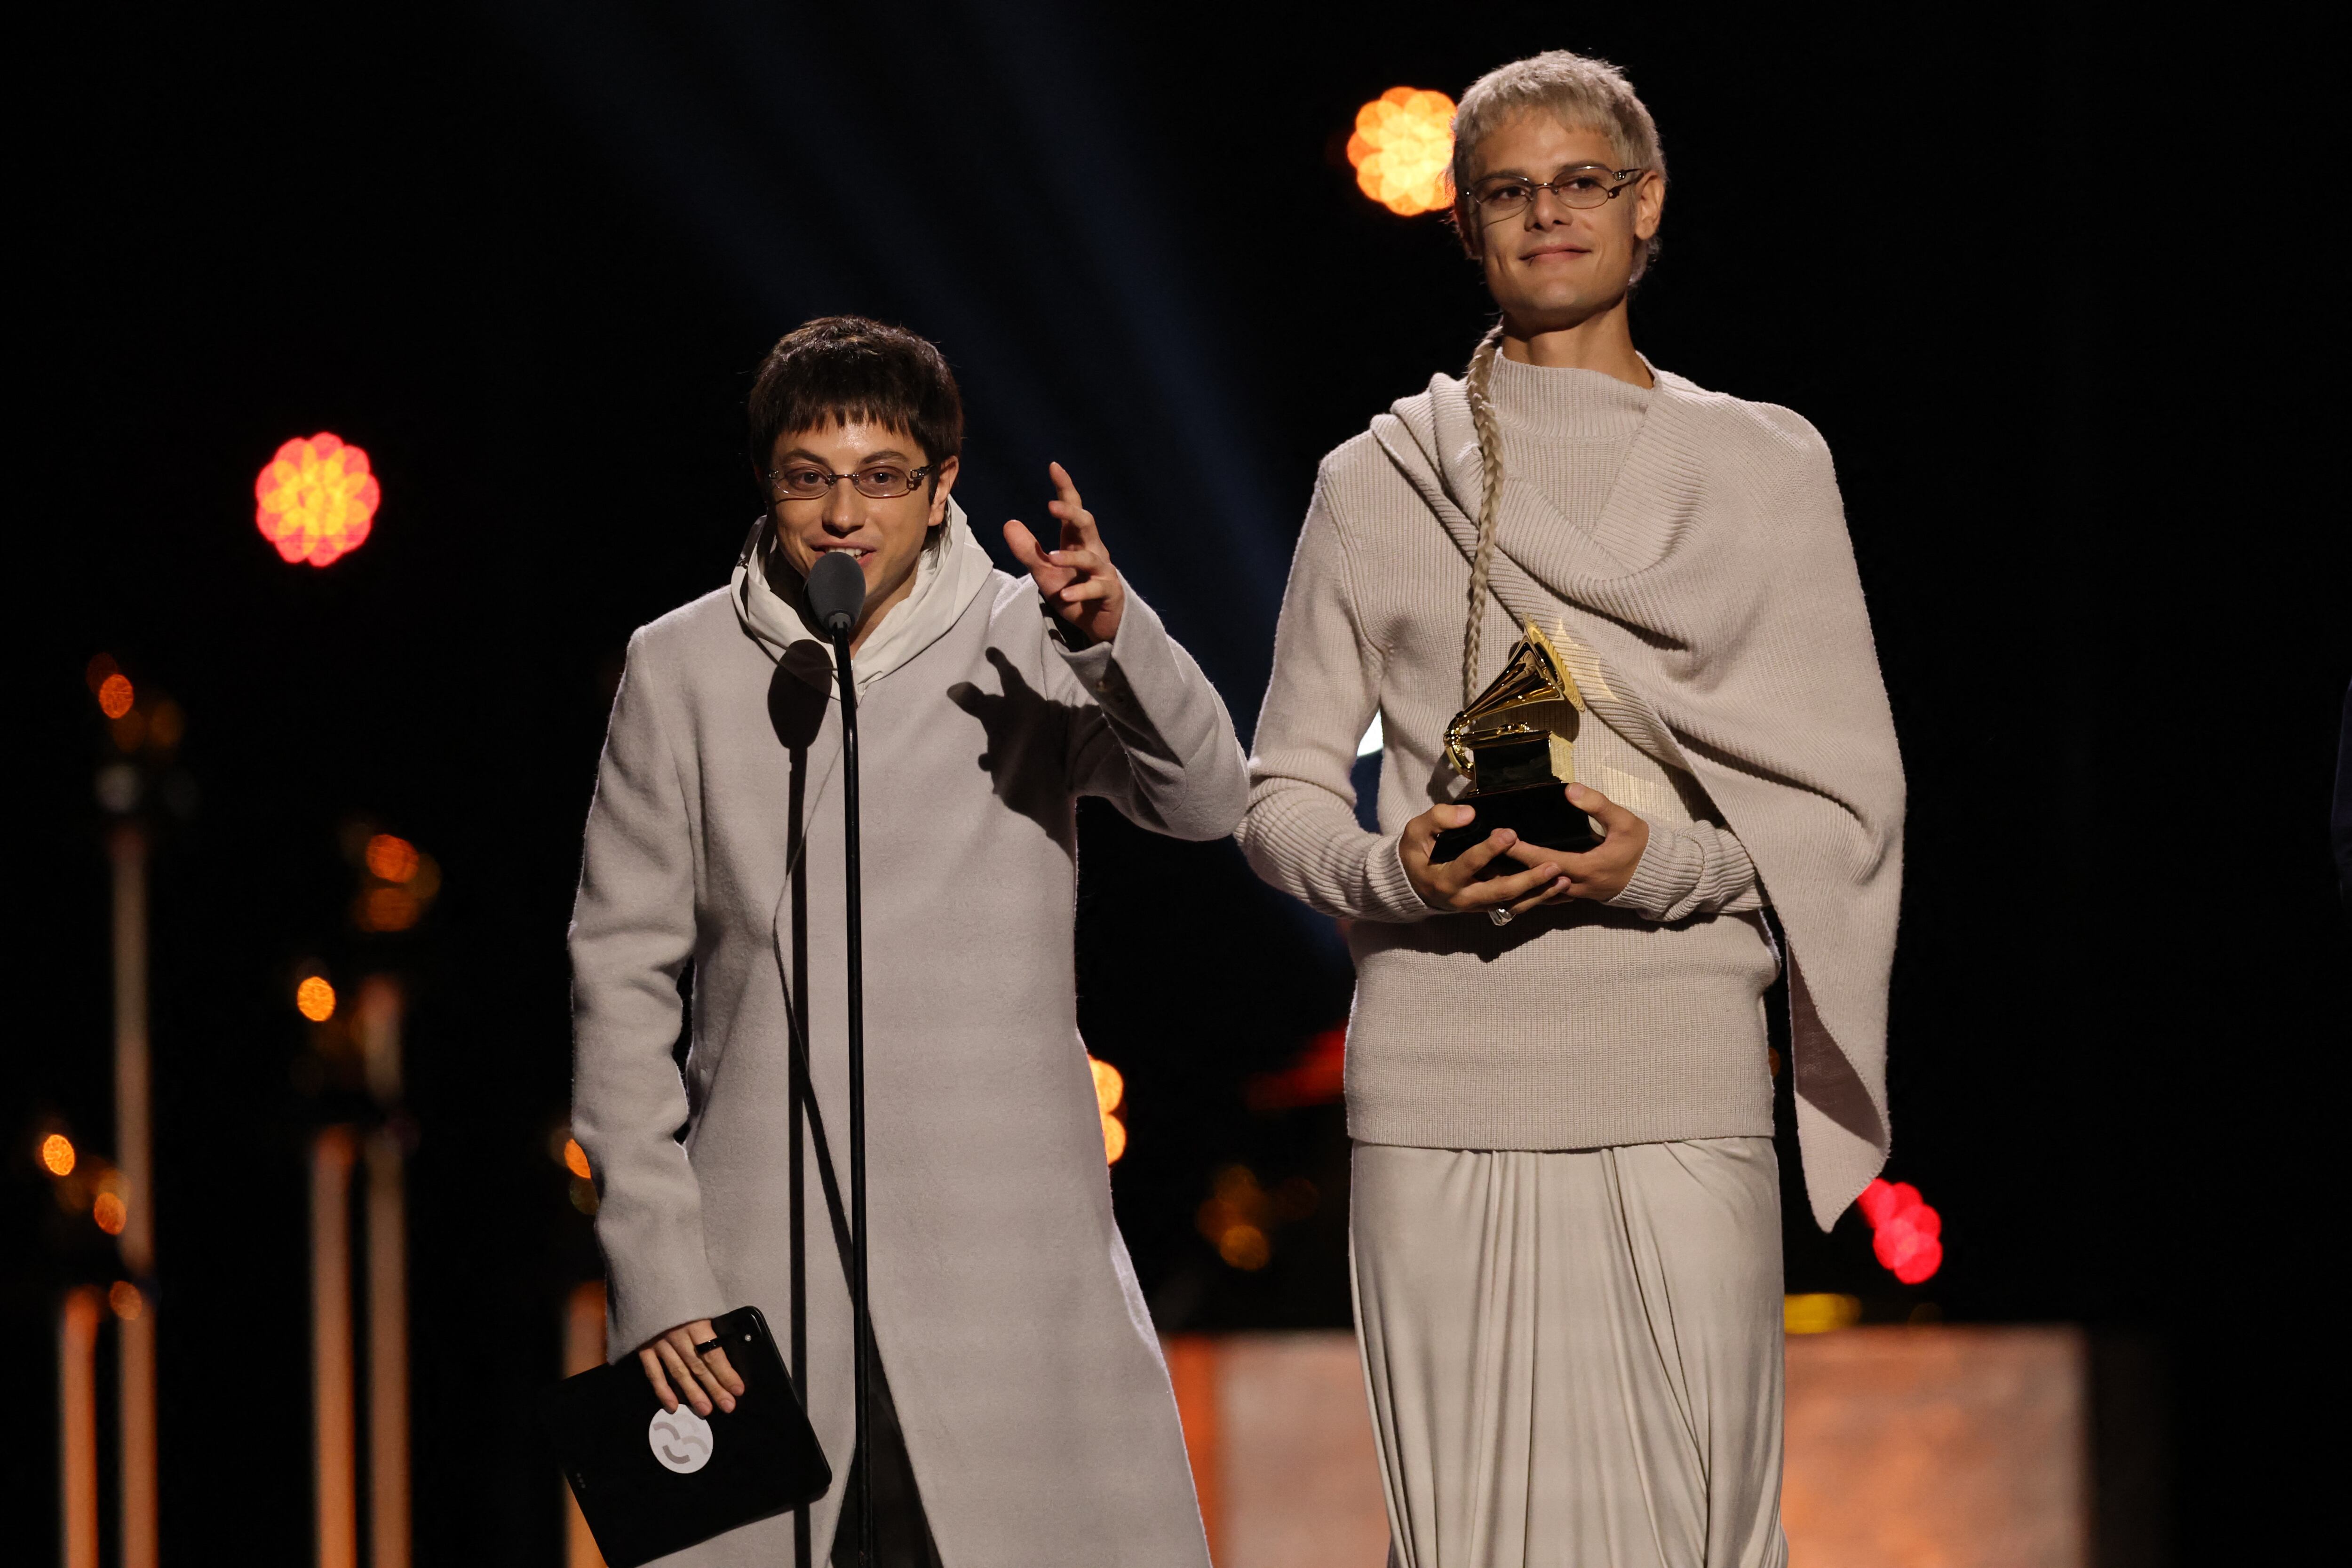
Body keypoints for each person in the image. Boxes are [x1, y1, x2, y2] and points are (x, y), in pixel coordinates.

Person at [1237, 51, 1904, 1568]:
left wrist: (1658, 866)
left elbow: (1845, 812)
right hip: (1441, 1080)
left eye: (1580, 182)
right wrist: (1393, 870)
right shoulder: (1380, 478)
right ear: (1465, 227)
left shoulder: (1765, 466)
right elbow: (1279, 794)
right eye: (1508, 191)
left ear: (1646, 203)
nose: (1547, 213)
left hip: (1673, 1062)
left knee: (1694, 1533)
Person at [570, 316, 1243, 1566]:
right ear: (767, 486)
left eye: (881, 477)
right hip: (758, 1263)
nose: (843, 515)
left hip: (1000, 1259)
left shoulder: (1029, 634)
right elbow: (619, 983)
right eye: (808, 478)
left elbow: (1208, 802)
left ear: (941, 489)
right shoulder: (680, 667)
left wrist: (1115, 638)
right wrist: (657, 1266)